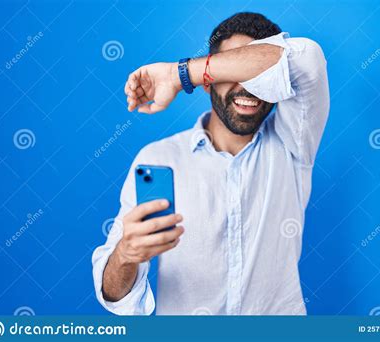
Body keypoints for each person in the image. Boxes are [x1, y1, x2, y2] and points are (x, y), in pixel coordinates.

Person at [92, 12, 329, 315]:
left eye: (258, 76)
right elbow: (113, 295)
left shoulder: (292, 146)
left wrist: (180, 74)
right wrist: (125, 254)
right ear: (208, 83)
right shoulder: (158, 159)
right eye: (230, 71)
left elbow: (307, 59)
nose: (248, 89)